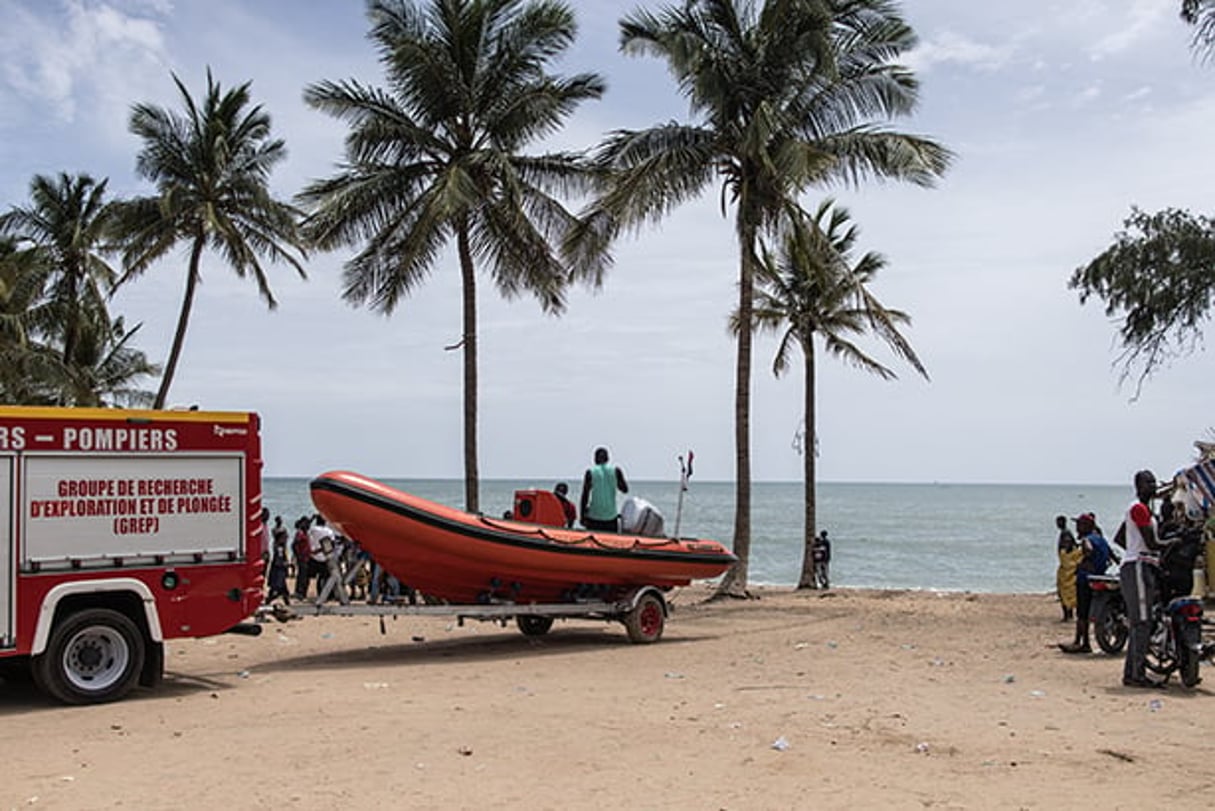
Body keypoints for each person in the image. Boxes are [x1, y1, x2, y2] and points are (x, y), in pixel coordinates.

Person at [1113, 470, 1165, 688]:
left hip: (1139, 563)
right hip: (1138, 567)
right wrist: (1171, 542)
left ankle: (1132, 672)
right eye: (1148, 483)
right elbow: (1152, 543)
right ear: (1138, 485)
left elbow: (1120, 537)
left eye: (1153, 482)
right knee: (1142, 622)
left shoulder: (1144, 511)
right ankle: (1137, 674)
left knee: (1140, 623)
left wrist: (1136, 550)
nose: (1152, 486)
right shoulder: (1139, 509)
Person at [1059, 513, 1112, 653]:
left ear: (1086, 526)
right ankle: (1084, 642)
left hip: (1085, 579)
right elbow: (1112, 556)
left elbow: (1088, 549)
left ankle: (1080, 642)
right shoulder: (1101, 539)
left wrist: (1085, 560)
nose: (1076, 528)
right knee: (1086, 613)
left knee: (1082, 614)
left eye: (1079, 525)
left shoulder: (1087, 540)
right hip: (1098, 577)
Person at [580, 447, 628, 532]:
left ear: (595, 459)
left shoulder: (590, 472)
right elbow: (625, 489)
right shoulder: (616, 471)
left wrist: (582, 516)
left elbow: (585, 496)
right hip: (611, 517)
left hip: (594, 517)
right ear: (608, 459)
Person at [1055, 515, 1080, 622]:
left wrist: (1066, 556)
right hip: (1066, 564)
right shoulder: (1066, 532)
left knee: (1065, 591)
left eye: (1059, 522)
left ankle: (1068, 614)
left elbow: (1069, 545)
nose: (1057, 524)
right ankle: (1068, 614)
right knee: (1066, 591)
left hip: (1067, 566)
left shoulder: (1066, 533)